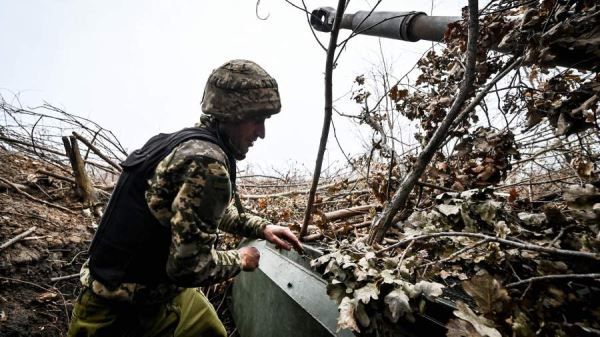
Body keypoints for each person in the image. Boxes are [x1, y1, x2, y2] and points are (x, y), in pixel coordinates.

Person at [68, 59, 302, 337]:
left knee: (210, 330)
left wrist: (260, 227)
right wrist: (241, 259)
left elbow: (192, 211)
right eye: (257, 121)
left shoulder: (181, 143)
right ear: (232, 114)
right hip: (116, 309)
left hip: (159, 294)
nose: (261, 134)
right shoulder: (205, 161)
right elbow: (189, 268)